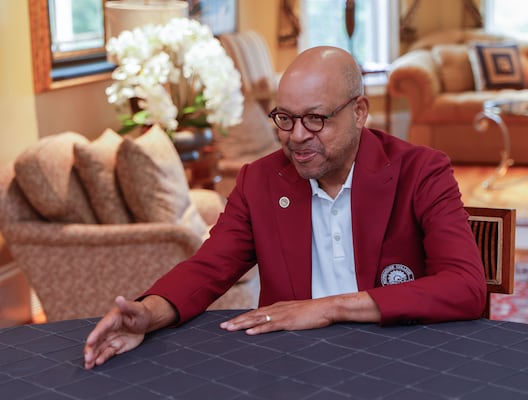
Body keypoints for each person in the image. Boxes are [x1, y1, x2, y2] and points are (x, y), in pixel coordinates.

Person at [83, 46, 486, 370]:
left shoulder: (421, 171)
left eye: (315, 119)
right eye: (285, 118)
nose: (296, 137)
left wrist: (328, 309)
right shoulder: (260, 181)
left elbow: (466, 287)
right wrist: (149, 313)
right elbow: (209, 268)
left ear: (359, 112)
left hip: (401, 361)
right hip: (293, 366)